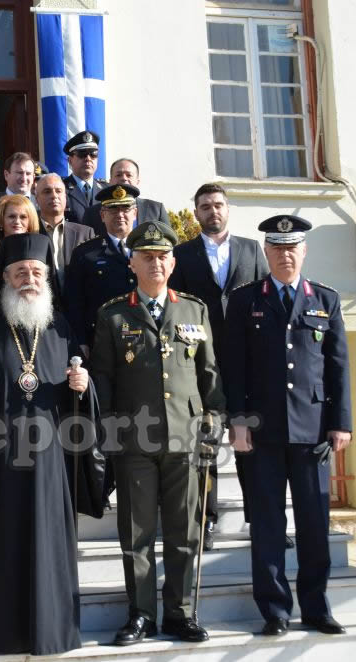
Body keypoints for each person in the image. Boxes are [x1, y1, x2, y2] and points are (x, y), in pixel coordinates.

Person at [0, 232, 92, 655]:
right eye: (20, 272)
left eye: (36, 272)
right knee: (3, 546)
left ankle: (54, 628)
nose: (29, 278)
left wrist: (82, 387)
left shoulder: (60, 326)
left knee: (50, 547)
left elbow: (75, 398)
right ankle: (5, 628)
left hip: (50, 459)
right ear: (5, 277)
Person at [91, 219, 225, 645]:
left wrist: (214, 423)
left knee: (185, 531)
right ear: (132, 263)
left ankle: (180, 613)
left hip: (186, 437)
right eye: (147, 256)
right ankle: (141, 614)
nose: (156, 263)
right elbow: (104, 380)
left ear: (172, 262)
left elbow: (209, 376)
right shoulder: (113, 314)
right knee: (137, 533)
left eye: (163, 256)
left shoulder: (193, 309)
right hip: (136, 440)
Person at [225, 215, 352, 637]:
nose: (285, 255)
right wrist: (238, 424)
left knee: (314, 523)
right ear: (266, 253)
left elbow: (338, 368)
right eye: (276, 248)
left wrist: (341, 423)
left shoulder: (326, 300)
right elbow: (236, 369)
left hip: (313, 432)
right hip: (262, 432)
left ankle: (316, 606)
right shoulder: (245, 300)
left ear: (303, 251)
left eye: (292, 247)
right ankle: (275, 609)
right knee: (267, 523)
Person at [168, 182, 270, 551]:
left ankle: (260, 521)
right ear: (195, 213)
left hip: (246, 362)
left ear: (228, 209)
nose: (213, 211)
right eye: (205, 206)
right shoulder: (182, 254)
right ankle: (205, 522)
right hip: (200, 365)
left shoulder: (251, 249)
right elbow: (176, 306)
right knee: (204, 446)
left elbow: (264, 300)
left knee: (249, 446)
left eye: (218, 205)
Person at [64, 183, 140, 355]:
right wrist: (81, 342)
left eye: (125, 209)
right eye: (113, 210)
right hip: (101, 340)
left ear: (134, 213)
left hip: (143, 338)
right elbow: (75, 303)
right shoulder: (85, 253)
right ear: (102, 215)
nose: (120, 215)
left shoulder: (147, 251)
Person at [35, 173, 95, 291]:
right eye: (47, 191)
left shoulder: (85, 233)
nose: (54, 196)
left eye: (58, 191)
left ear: (65, 197)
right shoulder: (30, 234)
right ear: (37, 199)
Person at [80, 158, 169, 236]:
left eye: (129, 175)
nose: (124, 178)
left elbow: (167, 244)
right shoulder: (92, 213)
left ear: (137, 181)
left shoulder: (156, 210)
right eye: (118, 175)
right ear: (110, 181)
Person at [0, 152, 36, 223]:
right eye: (19, 173)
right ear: (6, 175)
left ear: (33, 177)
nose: (24, 178)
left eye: (28, 174)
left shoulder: (40, 203)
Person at [62, 130, 106, 225]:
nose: (88, 159)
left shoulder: (106, 190)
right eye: (82, 154)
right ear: (70, 160)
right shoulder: (60, 189)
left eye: (93, 154)